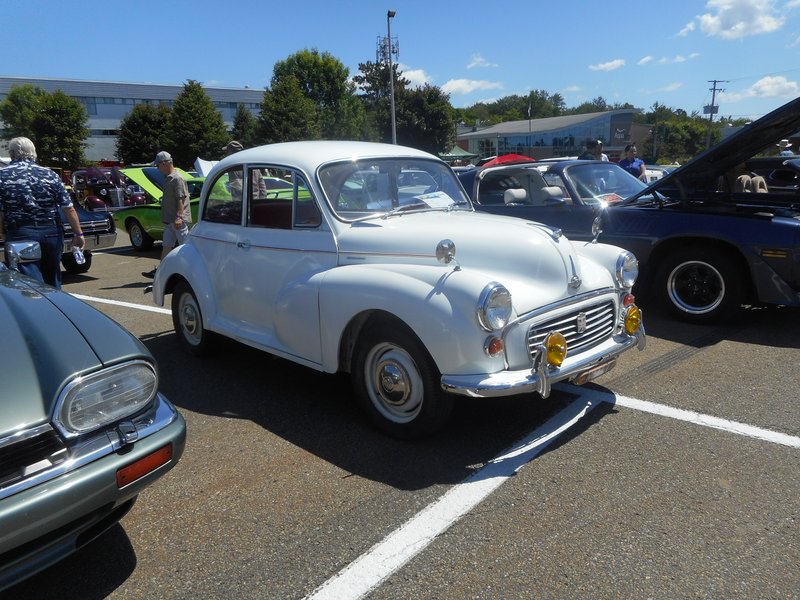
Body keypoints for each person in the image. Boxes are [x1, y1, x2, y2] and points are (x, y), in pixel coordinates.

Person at [0, 137, 85, 289]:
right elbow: (68, 207)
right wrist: (78, 234)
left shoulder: (2, 175)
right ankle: (54, 309)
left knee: (27, 283)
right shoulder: (50, 174)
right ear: (33, 152)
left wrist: (2, 232)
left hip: (20, 233)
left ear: (12, 154)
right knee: (52, 279)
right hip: (51, 232)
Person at [142, 151, 191, 278]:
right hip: (170, 221)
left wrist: (180, 217)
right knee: (166, 247)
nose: (157, 169)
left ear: (163, 163)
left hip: (178, 221)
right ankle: (161, 272)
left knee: (185, 248)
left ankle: (190, 272)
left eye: (157, 166)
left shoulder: (177, 178)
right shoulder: (168, 178)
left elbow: (181, 198)